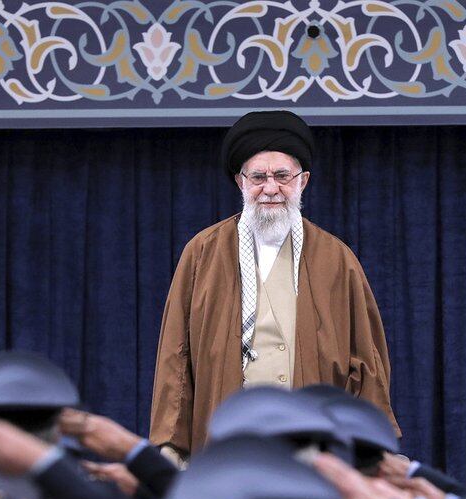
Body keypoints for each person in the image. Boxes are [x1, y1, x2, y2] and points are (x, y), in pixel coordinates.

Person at [150, 110, 395, 457]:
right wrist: (171, 447)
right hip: (229, 441)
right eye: (258, 177)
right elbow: (177, 357)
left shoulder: (336, 258)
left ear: (302, 181)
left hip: (311, 447)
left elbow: (367, 361)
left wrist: (369, 450)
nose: (270, 189)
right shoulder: (203, 253)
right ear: (241, 182)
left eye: (282, 176)